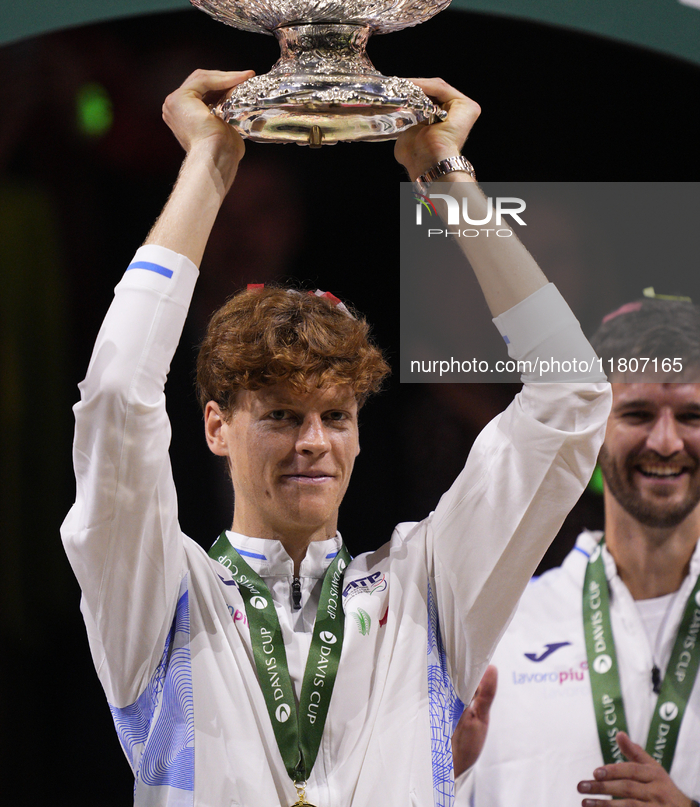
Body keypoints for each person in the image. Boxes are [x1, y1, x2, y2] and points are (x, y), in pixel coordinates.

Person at [61, 69, 610, 807]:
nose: (312, 441)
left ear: (358, 435)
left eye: (335, 416)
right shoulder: (162, 596)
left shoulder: (427, 589)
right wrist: (210, 164)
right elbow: (117, 402)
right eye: (281, 415)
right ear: (217, 428)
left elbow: (572, 398)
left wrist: (448, 180)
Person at [455, 296, 700, 807]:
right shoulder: (502, 629)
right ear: (595, 427)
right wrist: (438, 773)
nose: (666, 441)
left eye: (691, 416)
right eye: (637, 413)